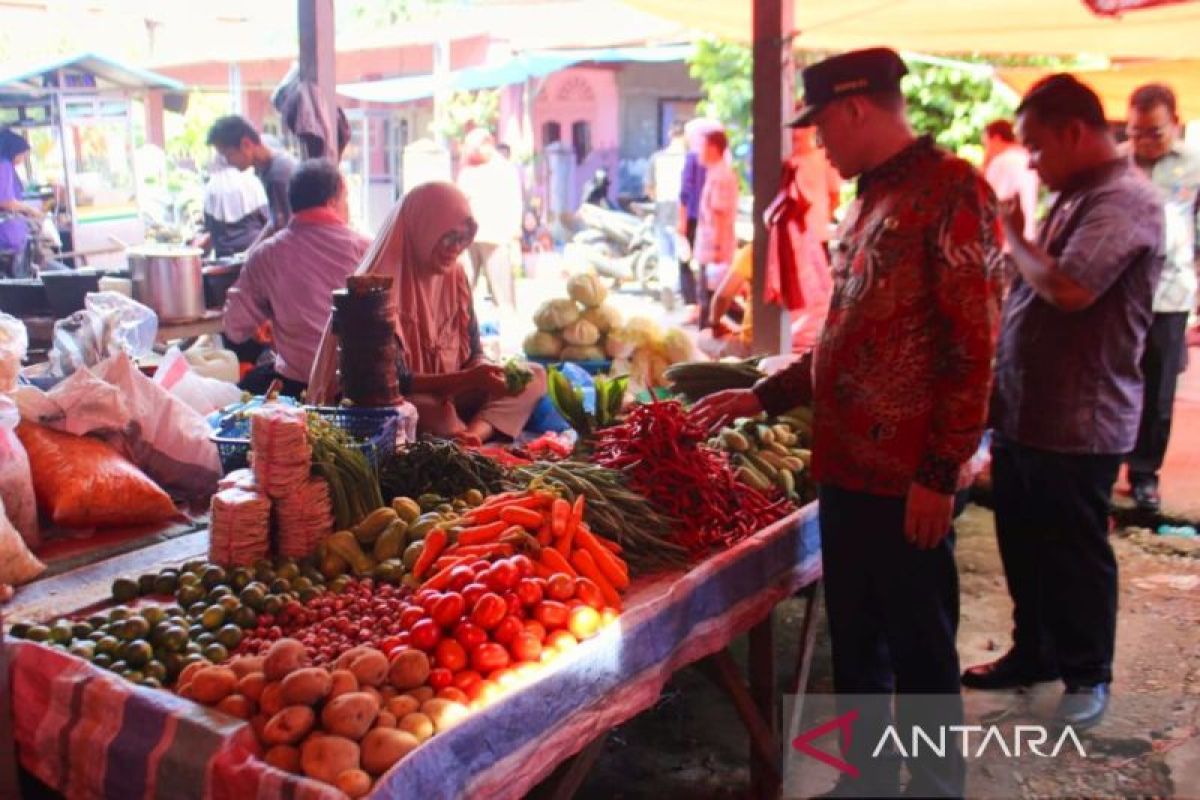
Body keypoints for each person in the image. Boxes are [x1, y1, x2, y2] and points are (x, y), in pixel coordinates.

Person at [693, 48, 1002, 798]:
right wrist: (761, 397)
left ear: (858, 108)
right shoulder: (868, 200)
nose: (819, 142)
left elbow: (976, 348)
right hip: (845, 472)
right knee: (856, 644)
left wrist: (939, 472)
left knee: (921, 649)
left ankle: (933, 789)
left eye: (824, 124)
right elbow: (844, 339)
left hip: (908, 481)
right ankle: (861, 783)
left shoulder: (953, 191)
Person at [962, 75, 1165, 731]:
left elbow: (1071, 289)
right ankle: (1035, 652)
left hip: (1082, 420)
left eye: (1038, 148)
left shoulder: (1124, 201)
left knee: (1074, 552)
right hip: (1030, 412)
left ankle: (1087, 674)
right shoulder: (1077, 195)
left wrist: (1012, 238)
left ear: (1075, 132)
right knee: (1022, 541)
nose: (1035, 164)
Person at [308, 182, 545, 444]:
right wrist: (468, 379)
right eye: (447, 237)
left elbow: (473, 351)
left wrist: (483, 371)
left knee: (534, 376)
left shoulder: (454, 275)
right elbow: (395, 381)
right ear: (423, 230)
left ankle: (472, 436)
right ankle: (457, 434)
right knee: (434, 414)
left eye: (461, 239)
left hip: (449, 390)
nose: (454, 248)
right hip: (390, 400)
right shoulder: (377, 285)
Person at [223, 159, 371, 397]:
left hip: (296, 389)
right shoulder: (367, 250)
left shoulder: (267, 254)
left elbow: (234, 326)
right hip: (361, 391)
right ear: (334, 200)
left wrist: (268, 314)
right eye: (346, 199)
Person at [1122, 83, 1200, 512]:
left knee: (1158, 390)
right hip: (1118, 294)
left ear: (1174, 122)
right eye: (1135, 133)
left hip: (1170, 293)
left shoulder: (1194, 164)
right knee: (1115, 380)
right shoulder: (1115, 163)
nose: (1144, 143)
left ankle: (1144, 473)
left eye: (1154, 132)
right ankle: (1108, 460)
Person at [456, 129, 522, 312]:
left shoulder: (504, 169)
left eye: (476, 148)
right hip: (469, 236)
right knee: (462, 288)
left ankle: (509, 329)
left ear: (488, 144)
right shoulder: (468, 169)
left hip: (495, 235)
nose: (473, 152)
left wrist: (515, 229)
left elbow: (514, 200)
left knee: (503, 294)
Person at [206, 115, 297, 244]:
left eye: (228, 155)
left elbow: (288, 230)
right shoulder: (265, 167)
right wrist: (250, 253)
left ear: (246, 144)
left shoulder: (278, 174)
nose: (228, 161)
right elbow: (275, 220)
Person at [694, 129, 738, 331]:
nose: (698, 152)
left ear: (713, 149)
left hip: (715, 250)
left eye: (701, 146)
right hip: (710, 248)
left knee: (712, 301)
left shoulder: (720, 175)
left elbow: (720, 214)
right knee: (708, 299)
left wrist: (718, 250)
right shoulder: (716, 172)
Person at [678, 119, 719, 315]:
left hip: (694, 217)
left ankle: (692, 305)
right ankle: (704, 304)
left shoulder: (694, 158)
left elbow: (685, 193)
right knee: (704, 262)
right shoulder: (719, 161)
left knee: (685, 260)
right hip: (711, 221)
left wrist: (681, 221)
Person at [645, 122, 688, 306]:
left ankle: (666, 285)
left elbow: (649, 188)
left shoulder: (657, 158)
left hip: (662, 207)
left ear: (670, 135)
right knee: (682, 251)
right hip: (682, 209)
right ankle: (677, 289)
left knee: (665, 251)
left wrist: (658, 197)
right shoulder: (689, 158)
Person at [194, 155, 269, 258]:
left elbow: (210, 228)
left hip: (224, 255)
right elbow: (269, 220)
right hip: (254, 252)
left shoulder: (211, 187)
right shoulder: (251, 182)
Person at [983, 119, 1040, 241]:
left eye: (986, 144)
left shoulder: (1000, 162)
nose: (986, 150)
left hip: (1006, 240)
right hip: (1028, 236)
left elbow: (984, 200)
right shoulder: (1027, 159)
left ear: (996, 139)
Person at [788, 126, 842, 251]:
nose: (797, 132)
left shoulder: (825, 157)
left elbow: (835, 196)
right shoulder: (785, 160)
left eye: (802, 127)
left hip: (817, 237)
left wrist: (817, 221)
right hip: (789, 239)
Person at [0, 129, 41, 278]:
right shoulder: (3, 165)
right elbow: (6, 201)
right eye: (23, 154)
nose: (24, 158)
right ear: (14, 150)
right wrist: (30, 210)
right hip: (7, 237)